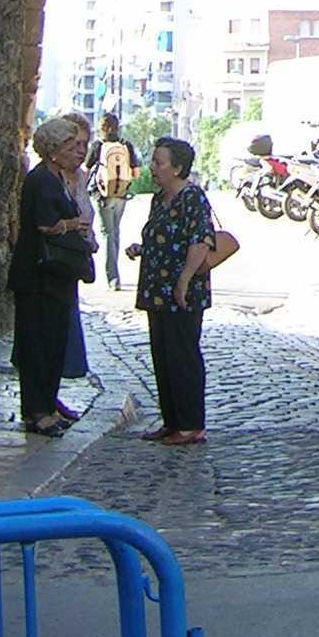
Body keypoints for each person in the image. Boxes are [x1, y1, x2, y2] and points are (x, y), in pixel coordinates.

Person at [125, 137, 215, 447]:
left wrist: (184, 281)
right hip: (156, 289)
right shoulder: (158, 199)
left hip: (182, 290)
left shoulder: (193, 198)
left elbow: (201, 240)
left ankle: (191, 425)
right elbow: (161, 235)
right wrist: (142, 248)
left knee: (183, 354)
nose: (153, 167)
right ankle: (172, 421)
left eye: (159, 162)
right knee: (162, 354)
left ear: (178, 168)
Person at [7, 115, 93, 437]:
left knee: (54, 342)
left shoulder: (57, 177)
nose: (77, 152)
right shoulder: (42, 179)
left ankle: (47, 405)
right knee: (38, 345)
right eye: (71, 146)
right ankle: (37, 411)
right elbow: (45, 224)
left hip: (56, 277)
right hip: (38, 276)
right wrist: (75, 225)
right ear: (54, 150)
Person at [58, 110, 100, 407]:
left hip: (73, 263)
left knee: (66, 329)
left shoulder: (82, 178)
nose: (81, 150)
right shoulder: (51, 178)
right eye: (75, 144)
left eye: (85, 143)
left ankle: (53, 397)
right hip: (54, 262)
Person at [85, 111, 139, 290]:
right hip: (121, 195)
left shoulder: (98, 146)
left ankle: (113, 279)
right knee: (115, 232)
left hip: (101, 195)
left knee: (107, 233)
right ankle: (115, 274)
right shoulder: (126, 145)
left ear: (101, 128)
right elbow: (136, 173)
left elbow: (86, 169)